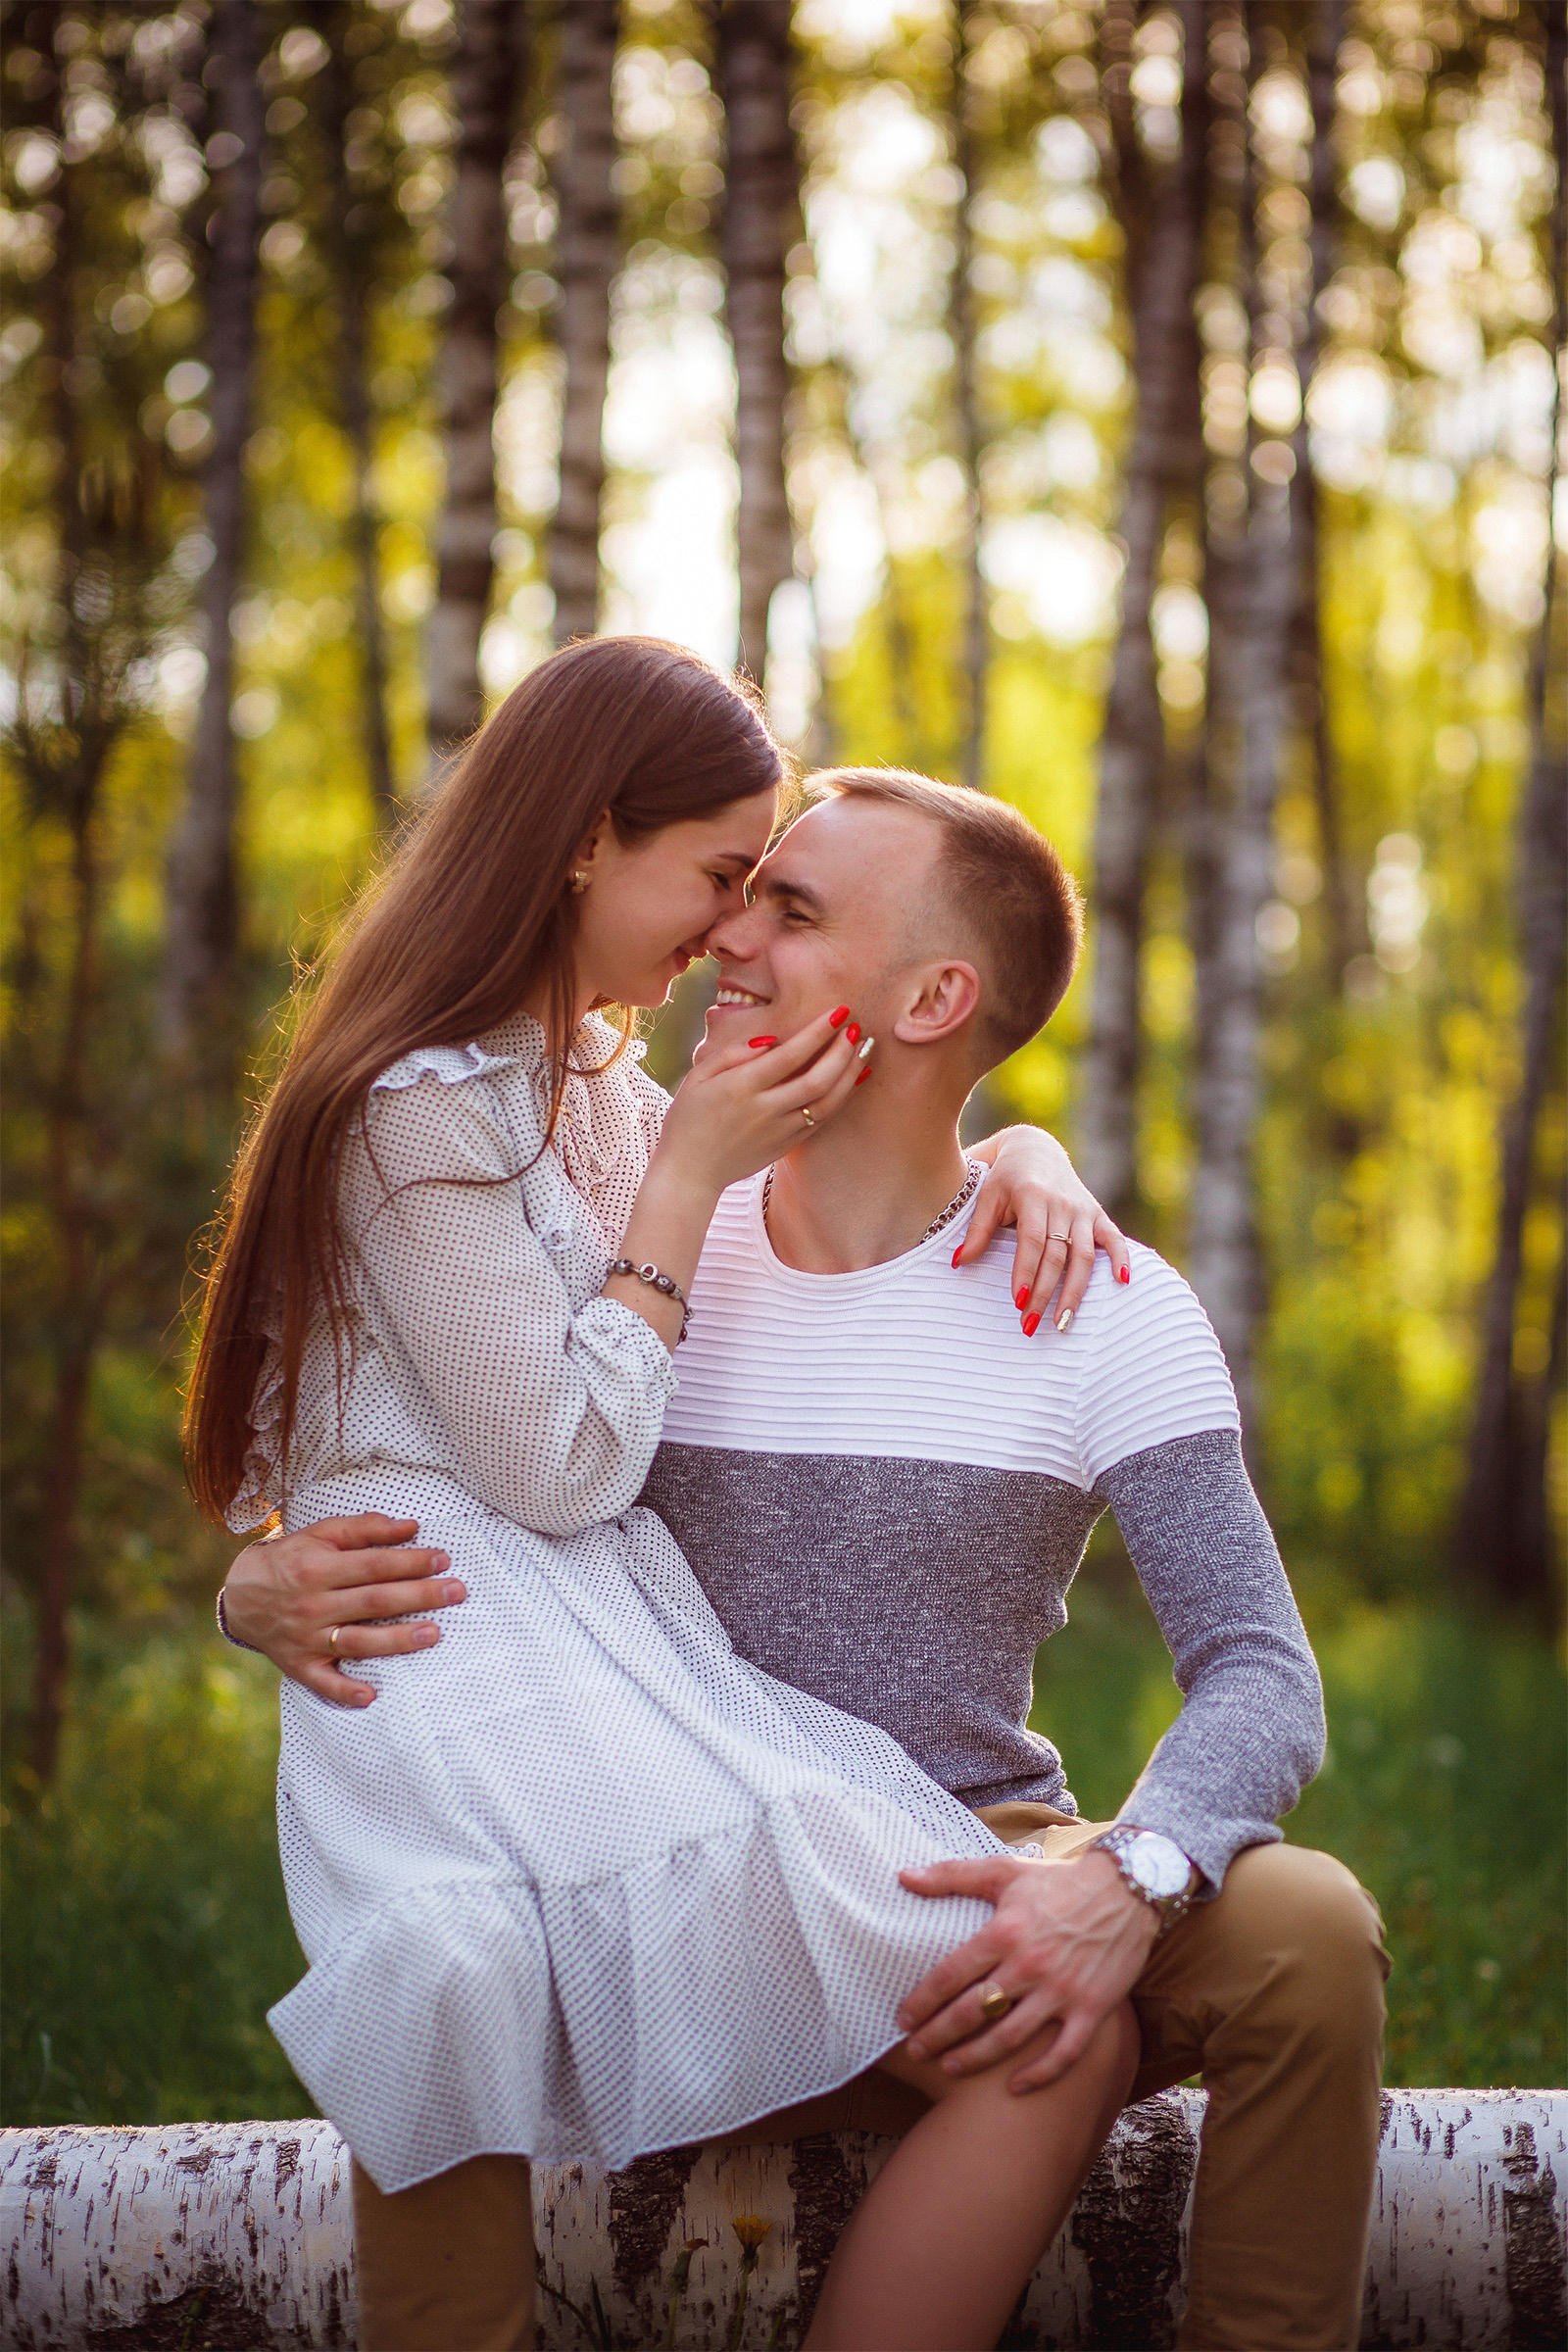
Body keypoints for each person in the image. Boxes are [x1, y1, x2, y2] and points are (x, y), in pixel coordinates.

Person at [235, 763, 1393, 2352]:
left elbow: (1264, 1676)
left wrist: (1127, 1878)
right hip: (661, 1861)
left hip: (967, 1866)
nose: (728, 940)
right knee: (446, 1946)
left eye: (788, 907)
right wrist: (260, 1578)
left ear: (934, 997)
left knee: (1310, 1933)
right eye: (736, 892)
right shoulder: (634, 1236)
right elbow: (425, 1430)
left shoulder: (1102, 1299)